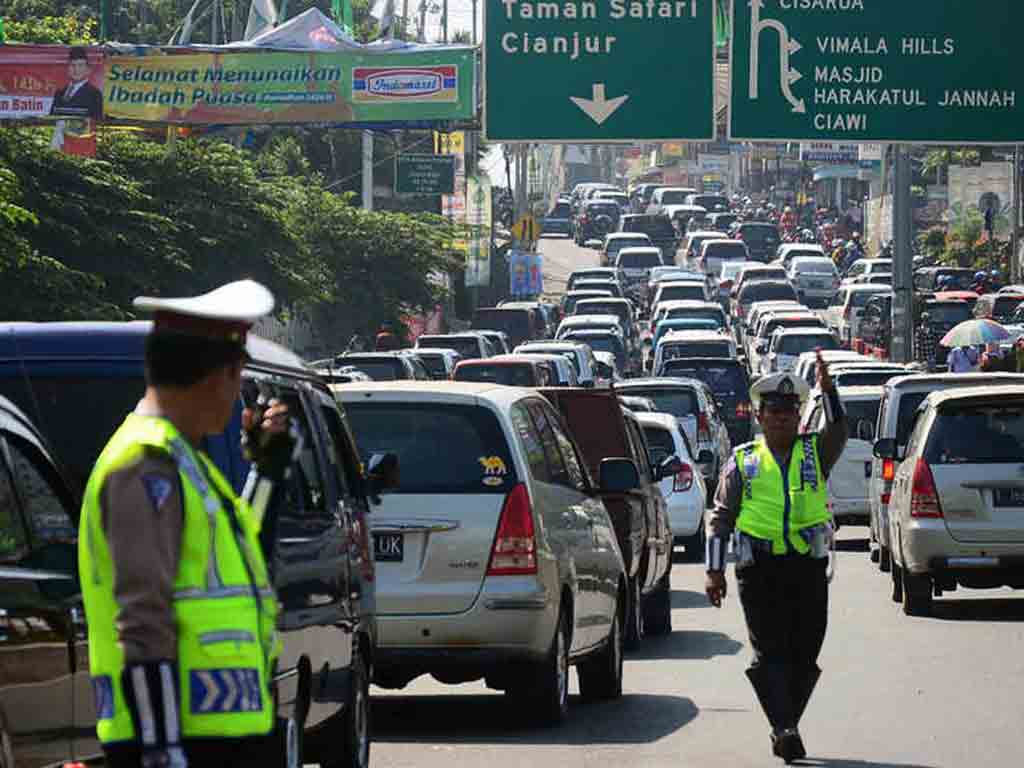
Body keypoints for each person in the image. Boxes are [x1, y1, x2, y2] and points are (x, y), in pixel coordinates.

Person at [78, 280, 298, 768]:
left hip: (222, 734)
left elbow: (241, 561)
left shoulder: (186, 462)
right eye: (238, 374)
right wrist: (163, 752)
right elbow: (142, 618)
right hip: (179, 741)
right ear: (221, 374)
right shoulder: (145, 462)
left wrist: (268, 473)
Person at [705, 354, 848, 763]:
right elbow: (721, 518)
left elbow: (838, 430)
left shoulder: (814, 453)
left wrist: (829, 389)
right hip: (759, 570)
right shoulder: (743, 460)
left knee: (806, 651)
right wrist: (714, 572)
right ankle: (784, 727)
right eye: (774, 412)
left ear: (799, 417)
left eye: (789, 412)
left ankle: (785, 721)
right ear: (760, 416)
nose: (782, 419)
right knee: (769, 652)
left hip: (806, 567)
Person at [51, 46, 103, 119]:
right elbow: (52, 118)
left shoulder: (94, 94)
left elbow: (96, 121)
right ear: (68, 68)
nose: (76, 69)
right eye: (73, 65)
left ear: (88, 69)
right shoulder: (60, 93)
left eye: (80, 65)